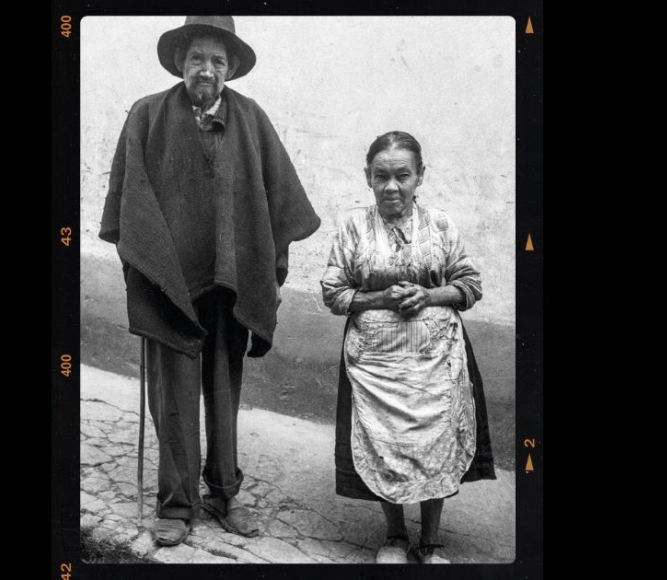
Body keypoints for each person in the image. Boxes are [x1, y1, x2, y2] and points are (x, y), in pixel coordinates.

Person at [99, 16, 320, 547]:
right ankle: (176, 507)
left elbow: (276, 203)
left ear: (231, 69)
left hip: (231, 285)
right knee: (173, 399)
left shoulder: (251, 119)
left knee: (223, 396)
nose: (206, 69)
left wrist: (269, 271)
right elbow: (128, 201)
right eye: (197, 57)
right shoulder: (147, 115)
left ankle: (224, 494)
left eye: (218, 61)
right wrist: (145, 267)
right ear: (180, 61)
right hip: (168, 285)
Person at [321, 131, 496, 564]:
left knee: (433, 444)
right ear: (368, 177)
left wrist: (428, 296)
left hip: (435, 357)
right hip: (374, 362)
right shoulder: (352, 227)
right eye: (382, 176)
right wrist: (381, 299)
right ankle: (395, 537)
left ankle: (431, 542)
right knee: (386, 444)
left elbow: (470, 285)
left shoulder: (439, 225)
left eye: (403, 175)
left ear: (420, 176)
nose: (392, 186)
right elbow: (333, 293)